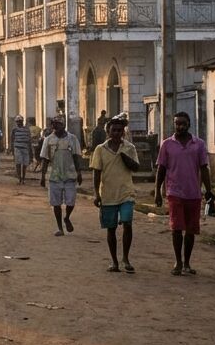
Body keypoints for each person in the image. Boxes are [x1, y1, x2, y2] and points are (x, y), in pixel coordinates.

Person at [155, 111, 215, 276]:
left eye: (183, 123)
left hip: (193, 193)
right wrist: (157, 192)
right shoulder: (167, 144)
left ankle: (187, 262)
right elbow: (161, 169)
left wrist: (209, 190)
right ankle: (178, 262)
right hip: (174, 192)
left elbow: (204, 168)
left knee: (190, 231)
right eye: (177, 123)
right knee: (176, 228)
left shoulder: (199, 144)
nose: (179, 126)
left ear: (189, 124)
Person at [91, 117, 140, 273]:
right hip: (107, 193)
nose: (117, 133)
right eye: (114, 130)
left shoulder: (129, 147)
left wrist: (124, 156)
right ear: (108, 132)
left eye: (120, 130)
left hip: (126, 192)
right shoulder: (100, 149)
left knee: (127, 223)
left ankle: (126, 258)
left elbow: (136, 167)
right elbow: (96, 173)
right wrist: (96, 194)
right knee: (111, 228)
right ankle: (114, 261)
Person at [39, 117, 81, 236]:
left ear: (64, 125)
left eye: (58, 124)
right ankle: (60, 227)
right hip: (54, 175)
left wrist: (79, 173)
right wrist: (42, 176)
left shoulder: (72, 139)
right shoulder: (48, 140)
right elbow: (45, 159)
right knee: (56, 203)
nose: (56, 127)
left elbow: (76, 157)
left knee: (71, 201)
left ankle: (67, 217)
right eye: (54, 125)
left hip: (70, 174)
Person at [11, 116, 32, 184]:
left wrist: (30, 150)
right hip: (17, 148)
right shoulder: (14, 130)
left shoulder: (27, 129)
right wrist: (12, 149)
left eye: (20, 121)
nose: (19, 123)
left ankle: (23, 178)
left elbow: (29, 140)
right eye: (17, 121)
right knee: (18, 163)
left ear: (22, 121)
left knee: (25, 164)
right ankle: (19, 178)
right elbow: (12, 139)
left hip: (25, 148)